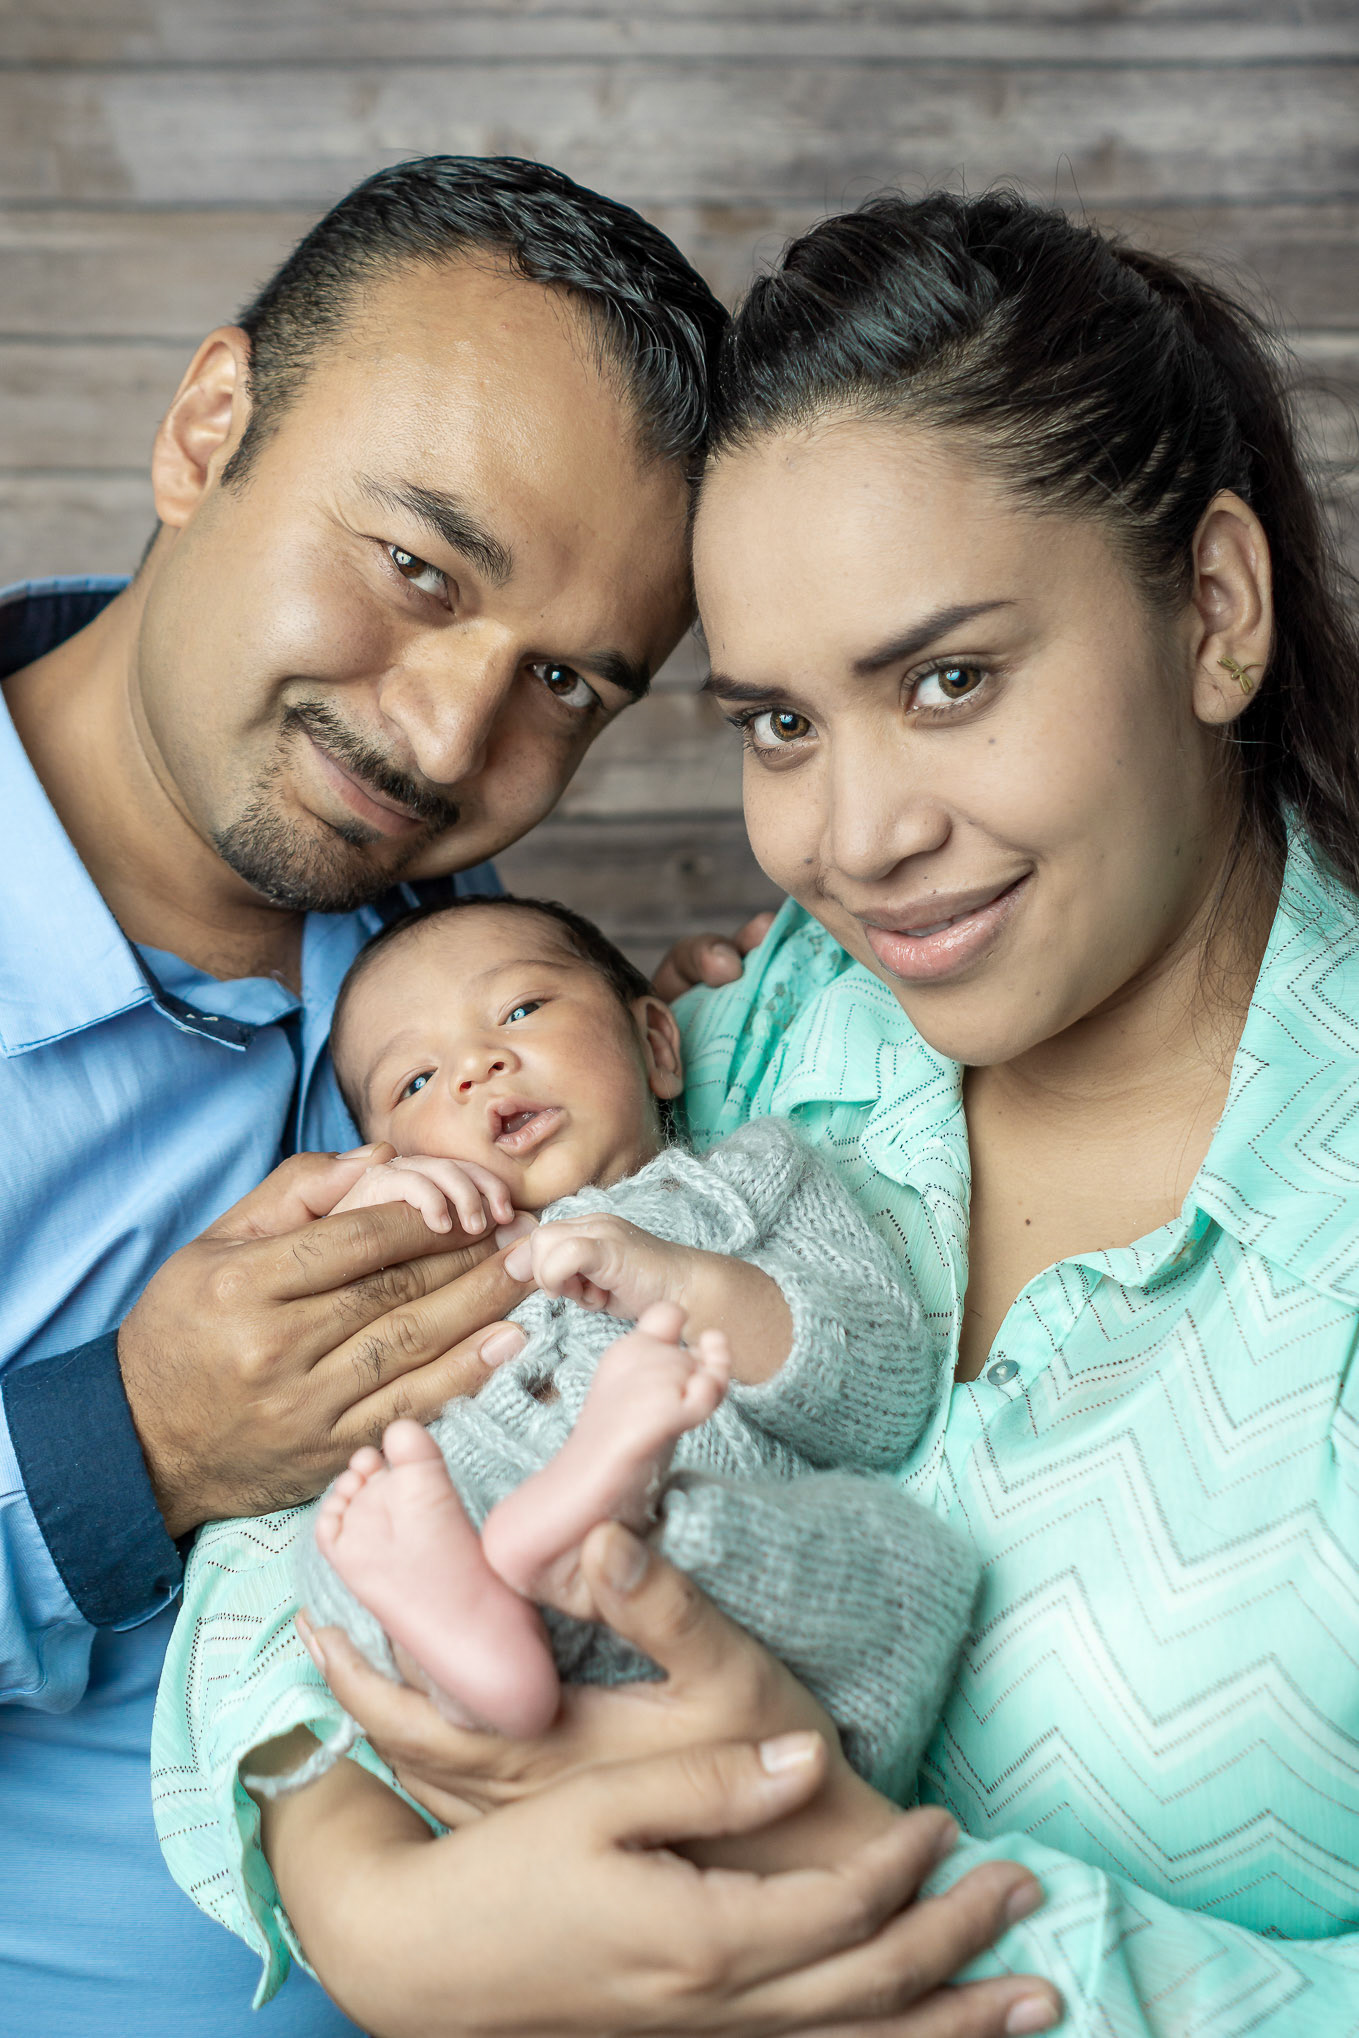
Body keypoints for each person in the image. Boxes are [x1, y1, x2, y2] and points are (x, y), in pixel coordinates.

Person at [265, 187, 1359, 2035]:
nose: (852, 843)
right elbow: (321, 1496)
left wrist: (853, 1898)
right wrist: (369, 1899)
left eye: (946, 679)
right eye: (777, 722)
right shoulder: (760, 1027)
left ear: (1214, 609)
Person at [0, 153, 725, 2036]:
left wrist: (732, 1063)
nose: (445, 740)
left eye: (566, 678)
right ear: (206, 425)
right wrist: (132, 1447)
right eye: (416, 568)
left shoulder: (459, 953)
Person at [152, 893, 977, 1884]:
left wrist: (682, 1281)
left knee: (923, 1566)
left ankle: (584, 1529)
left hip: (746, 1610)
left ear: (658, 1044)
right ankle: (494, 1628)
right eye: (416, 1078)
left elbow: (885, 1391)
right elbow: (298, 1401)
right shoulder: (427, 1282)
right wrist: (371, 1216)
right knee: (342, 1543)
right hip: (513, 1648)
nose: (475, 1065)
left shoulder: (752, 1181)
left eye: (520, 1011)